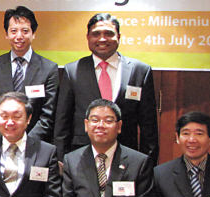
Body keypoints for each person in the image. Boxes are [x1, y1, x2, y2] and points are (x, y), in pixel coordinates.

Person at [54, 13, 159, 165]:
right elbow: (62, 122)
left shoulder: (140, 71)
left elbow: (149, 127)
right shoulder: (73, 71)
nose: (102, 39)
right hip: (81, 156)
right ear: (88, 37)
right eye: (96, 34)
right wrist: (61, 159)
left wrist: (148, 163)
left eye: (109, 34)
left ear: (119, 36)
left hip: (127, 157)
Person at [0, 6, 58, 143]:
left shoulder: (48, 68)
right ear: (6, 34)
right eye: (13, 31)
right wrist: (2, 141)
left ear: (33, 34)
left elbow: (47, 114)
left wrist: (26, 143)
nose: (19, 36)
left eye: (25, 31)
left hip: (34, 144)